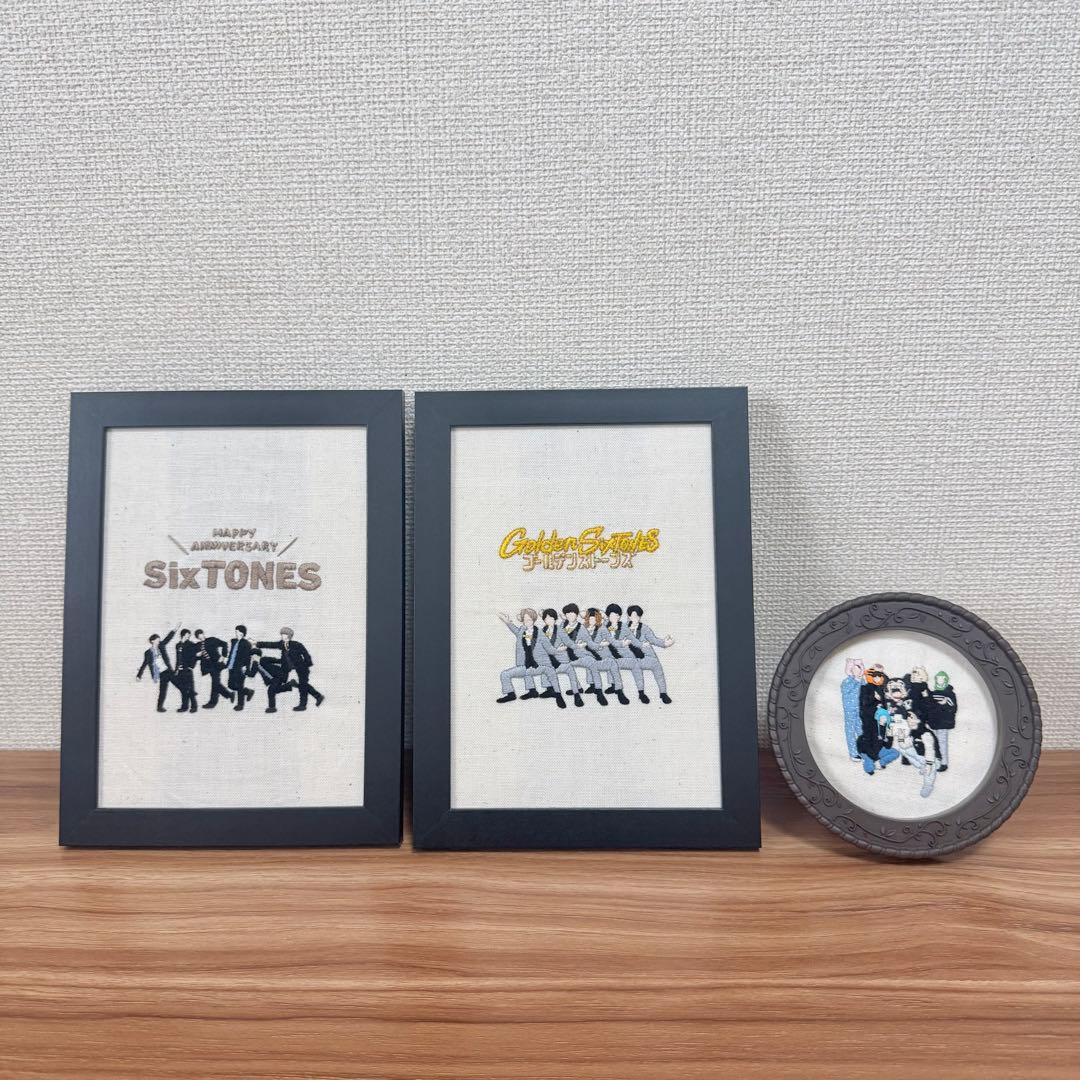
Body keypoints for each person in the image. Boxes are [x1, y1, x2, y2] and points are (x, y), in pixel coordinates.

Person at [496, 609, 567, 708]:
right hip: (526, 666)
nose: (527, 622)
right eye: (525, 620)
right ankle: (515, 694)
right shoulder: (521, 631)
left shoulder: (541, 634)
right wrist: (507, 621)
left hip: (540, 666)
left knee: (550, 672)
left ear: (533, 620)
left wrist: (558, 650)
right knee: (505, 674)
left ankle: (558, 695)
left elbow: (550, 649)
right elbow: (514, 630)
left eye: (529, 619)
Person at [257, 628, 324, 711]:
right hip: (289, 669)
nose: (282, 635)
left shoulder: (296, 644)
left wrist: (307, 664)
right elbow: (270, 644)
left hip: (301, 668)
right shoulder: (281, 644)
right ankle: (318, 696)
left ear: (288, 636)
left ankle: (303, 705)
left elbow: (306, 654)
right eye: (281, 634)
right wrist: (257, 644)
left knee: (303, 685)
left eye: (284, 634)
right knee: (302, 685)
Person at [555, 603, 608, 706]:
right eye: (568, 614)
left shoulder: (581, 628)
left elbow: (589, 642)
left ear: (576, 614)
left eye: (573, 613)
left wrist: (599, 646)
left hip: (581, 655)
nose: (570, 616)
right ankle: (577, 689)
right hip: (566, 656)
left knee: (592, 664)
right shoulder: (562, 626)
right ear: (565, 615)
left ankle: (599, 692)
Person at [624, 605, 673, 704]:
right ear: (629, 616)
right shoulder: (623, 627)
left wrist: (665, 643)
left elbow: (653, 640)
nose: (636, 618)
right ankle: (641, 693)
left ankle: (663, 693)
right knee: (635, 666)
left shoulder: (644, 628)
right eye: (634, 616)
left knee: (657, 666)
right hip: (631, 657)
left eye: (638, 616)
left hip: (646, 656)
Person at [857, 665, 899, 774]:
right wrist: (873, 697)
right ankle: (870, 759)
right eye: (875, 675)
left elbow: (888, 742)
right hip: (869, 719)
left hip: (880, 720)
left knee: (892, 750)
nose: (878, 677)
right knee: (869, 764)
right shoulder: (865, 688)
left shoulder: (881, 688)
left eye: (880, 675)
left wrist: (885, 716)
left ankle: (875, 760)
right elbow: (863, 705)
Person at [582, 607, 629, 705]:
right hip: (591, 656)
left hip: (605, 655)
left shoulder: (602, 628)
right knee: (590, 663)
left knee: (613, 664)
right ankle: (596, 689)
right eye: (590, 618)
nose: (592, 621)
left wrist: (621, 643)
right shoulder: (583, 628)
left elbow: (612, 641)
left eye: (595, 618)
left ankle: (619, 690)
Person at [538, 608, 584, 707]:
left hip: (563, 660)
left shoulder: (560, 630)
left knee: (571, 672)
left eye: (551, 618)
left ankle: (577, 695)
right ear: (544, 620)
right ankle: (557, 695)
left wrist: (577, 646)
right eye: (546, 618)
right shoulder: (542, 632)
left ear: (555, 619)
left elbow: (568, 642)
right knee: (547, 671)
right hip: (550, 661)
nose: (549, 620)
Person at [604, 604, 647, 702]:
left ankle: (641, 692)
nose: (615, 618)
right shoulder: (604, 627)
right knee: (611, 662)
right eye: (612, 615)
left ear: (620, 616)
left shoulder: (623, 626)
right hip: (611, 655)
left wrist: (641, 645)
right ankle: (617, 689)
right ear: (608, 616)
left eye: (617, 615)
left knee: (636, 665)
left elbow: (632, 639)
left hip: (625, 655)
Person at [136, 624, 180, 712]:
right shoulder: (148, 653)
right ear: (152, 641)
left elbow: (168, 638)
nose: (159, 641)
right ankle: (159, 707)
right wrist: (139, 675)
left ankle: (190, 693)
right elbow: (144, 664)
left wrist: (175, 629)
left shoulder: (161, 646)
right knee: (163, 690)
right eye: (157, 640)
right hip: (161, 673)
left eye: (159, 639)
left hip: (167, 670)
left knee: (179, 684)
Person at [194, 629, 233, 709]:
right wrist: (197, 655)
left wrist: (223, 656)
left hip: (216, 664)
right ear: (197, 637)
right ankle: (229, 694)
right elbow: (195, 656)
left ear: (203, 633)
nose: (200, 637)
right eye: (198, 636)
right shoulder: (197, 645)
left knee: (215, 683)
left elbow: (224, 644)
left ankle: (212, 703)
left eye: (201, 634)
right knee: (216, 683)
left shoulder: (212, 640)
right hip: (207, 667)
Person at [928, 670, 958, 771]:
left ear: (945, 680)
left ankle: (944, 763)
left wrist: (944, 704)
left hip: (943, 722)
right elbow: (930, 706)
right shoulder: (933, 693)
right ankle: (937, 761)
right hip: (934, 722)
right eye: (938, 679)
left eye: (941, 679)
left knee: (942, 742)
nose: (939, 680)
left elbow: (953, 708)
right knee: (934, 742)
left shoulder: (950, 693)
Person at [225, 625, 257, 712]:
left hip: (240, 668)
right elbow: (231, 652)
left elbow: (247, 657)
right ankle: (248, 692)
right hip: (231, 666)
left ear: (242, 633)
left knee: (240, 686)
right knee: (230, 685)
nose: (235, 633)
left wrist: (245, 667)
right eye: (235, 631)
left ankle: (240, 705)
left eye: (237, 631)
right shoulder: (234, 641)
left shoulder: (246, 644)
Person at [840, 658, 864, 760]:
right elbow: (845, 690)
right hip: (850, 710)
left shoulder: (862, 681)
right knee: (850, 731)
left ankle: (863, 750)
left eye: (859, 669)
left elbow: (866, 691)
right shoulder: (846, 681)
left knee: (861, 730)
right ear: (850, 670)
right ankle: (853, 753)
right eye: (855, 669)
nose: (857, 671)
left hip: (860, 709)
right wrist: (855, 680)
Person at [173, 629, 200, 712]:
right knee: (183, 689)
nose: (189, 635)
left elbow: (196, 656)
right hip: (180, 670)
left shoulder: (191, 644)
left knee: (190, 689)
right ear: (184, 634)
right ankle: (184, 707)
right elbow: (177, 658)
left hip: (187, 669)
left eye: (189, 634)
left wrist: (191, 666)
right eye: (188, 634)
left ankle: (194, 707)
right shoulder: (178, 645)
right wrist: (176, 669)